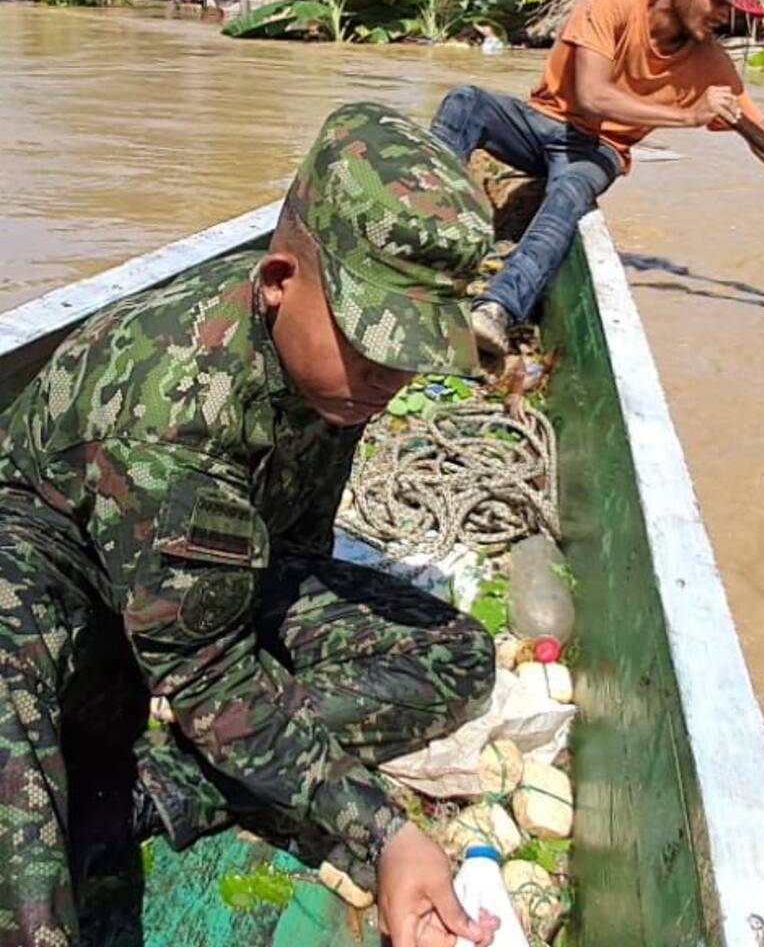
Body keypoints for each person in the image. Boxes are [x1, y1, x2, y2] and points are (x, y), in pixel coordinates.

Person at [0, 102, 502, 947]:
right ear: (277, 280)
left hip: (200, 587)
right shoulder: (171, 407)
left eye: (413, 352)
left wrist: (256, 681)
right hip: (61, 577)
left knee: (455, 656)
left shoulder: (333, 373)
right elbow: (208, 670)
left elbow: (295, 544)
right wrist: (385, 829)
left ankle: (149, 789)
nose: (389, 379)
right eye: (372, 344)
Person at [431, 0, 764, 357]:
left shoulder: (707, 58)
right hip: (541, 122)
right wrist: (688, 115)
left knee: (570, 191)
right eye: (720, 1)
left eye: (732, 8)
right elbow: (592, 97)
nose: (725, 16)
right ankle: (424, 235)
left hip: (598, 150)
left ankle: (497, 309)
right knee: (466, 102)